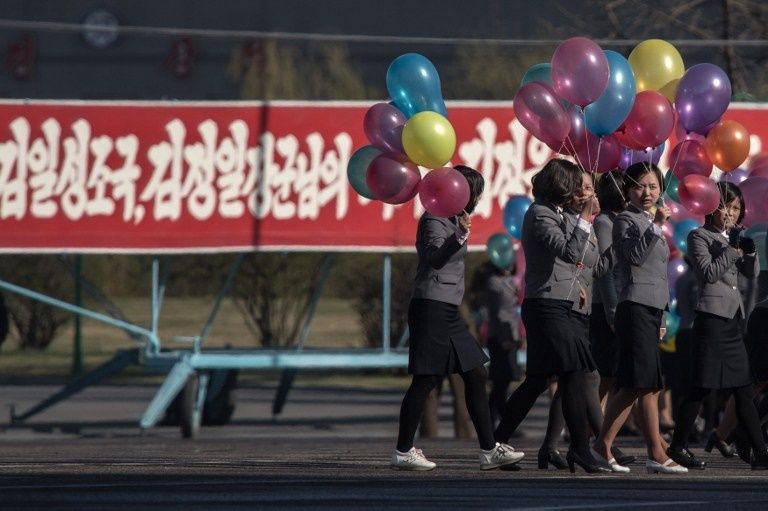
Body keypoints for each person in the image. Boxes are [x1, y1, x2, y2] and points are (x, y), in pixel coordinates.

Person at [391, 165, 524, 471]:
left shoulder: (452, 219)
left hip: (446, 310)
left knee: (476, 372)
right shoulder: (434, 219)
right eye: (471, 190)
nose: (474, 197)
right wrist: (460, 235)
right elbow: (435, 259)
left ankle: (489, 450)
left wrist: (460, 230)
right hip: (431, 306)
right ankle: (403, 450)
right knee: (426, 379)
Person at [494, 158, 610, 473]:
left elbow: (589, 260)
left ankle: (495, 442)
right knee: (573, 372)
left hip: (563, 304)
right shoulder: (539, 215)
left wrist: (590, 223)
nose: (579, 191)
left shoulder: (564, 215)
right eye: (573, 184)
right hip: (546, 304)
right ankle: (581, 449)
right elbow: (570, 253)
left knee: (537, 380)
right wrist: (585, 219)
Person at [593, 162, 688, 474]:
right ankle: (613, 446)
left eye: (652, 186)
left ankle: (644, 451)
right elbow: (633, 257)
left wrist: (661, 316)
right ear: (628, 190)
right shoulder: (625, 221)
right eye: (639, 186)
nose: (646, 192)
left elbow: (659, 275)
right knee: (637, 384)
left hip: (651, 308)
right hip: (632, 307)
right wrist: (656, 227)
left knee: (650, 385)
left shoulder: (648, 220)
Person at [538, 170, 635, 472]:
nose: (588, 193)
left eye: (591, 188)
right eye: (583, 188)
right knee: (584, 377)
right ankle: (597, 444)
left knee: (578, 378)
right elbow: (575, 258)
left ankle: (565, 446)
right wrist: (612, 311)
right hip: (577, 307)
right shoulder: (575, 220)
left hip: (583, 305)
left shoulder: (597, 223)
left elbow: (598, 265)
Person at [667, 182, 768, 470]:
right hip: (711, 320)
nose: (730, 213)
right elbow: (710, 273)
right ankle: (678, 445)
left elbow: (752, 274)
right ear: (710, 206)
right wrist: (733, 249)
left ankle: (760, 452)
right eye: (725, 206)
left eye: (736, 208)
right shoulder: (699, 235)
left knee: (743, 388)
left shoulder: (732, 238)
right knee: (701, 387)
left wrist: (749, 252)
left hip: (732, 321)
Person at [485, 260, 523, 424]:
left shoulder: (513, 282)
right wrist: (503, 339)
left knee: (504, 381)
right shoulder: (493, 282)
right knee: (500, 381)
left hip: (512, 335)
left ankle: (493, 418)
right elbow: (496, 312)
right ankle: (502, 419)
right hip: (500, 336)